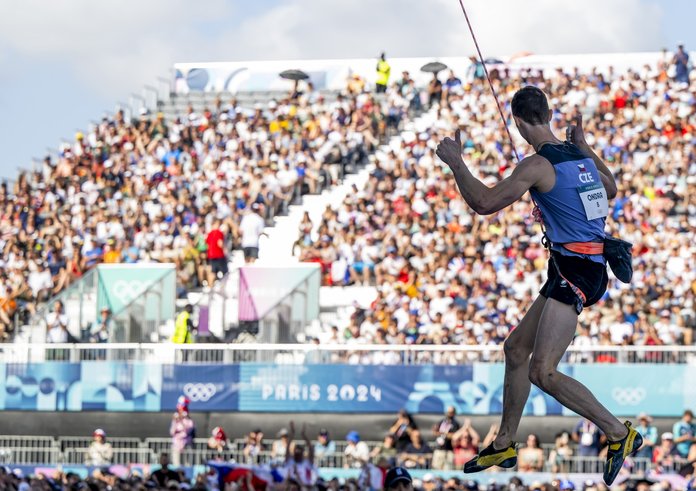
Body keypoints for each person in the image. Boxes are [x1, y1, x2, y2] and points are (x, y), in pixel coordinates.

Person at [436, 85, 641, 486]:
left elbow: (483, 202)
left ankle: (619, 433)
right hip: (576, 265)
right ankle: (505, 441)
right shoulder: (579, 157)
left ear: (516, 120)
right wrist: (585, 145)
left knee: (542, 372)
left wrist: (456, 163)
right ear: (548, 115)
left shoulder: (537, 166)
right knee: (515, 349)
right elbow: (611, 188)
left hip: (577, 271)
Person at [169, 396, 195, 466]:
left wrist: (182, 421)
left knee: (187, 464)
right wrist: (175, 421)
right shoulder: (175, 420)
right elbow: (172, 432)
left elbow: (188, 431)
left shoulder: (189, 421)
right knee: (176, 463)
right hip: (176, 444)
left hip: (186, 444)